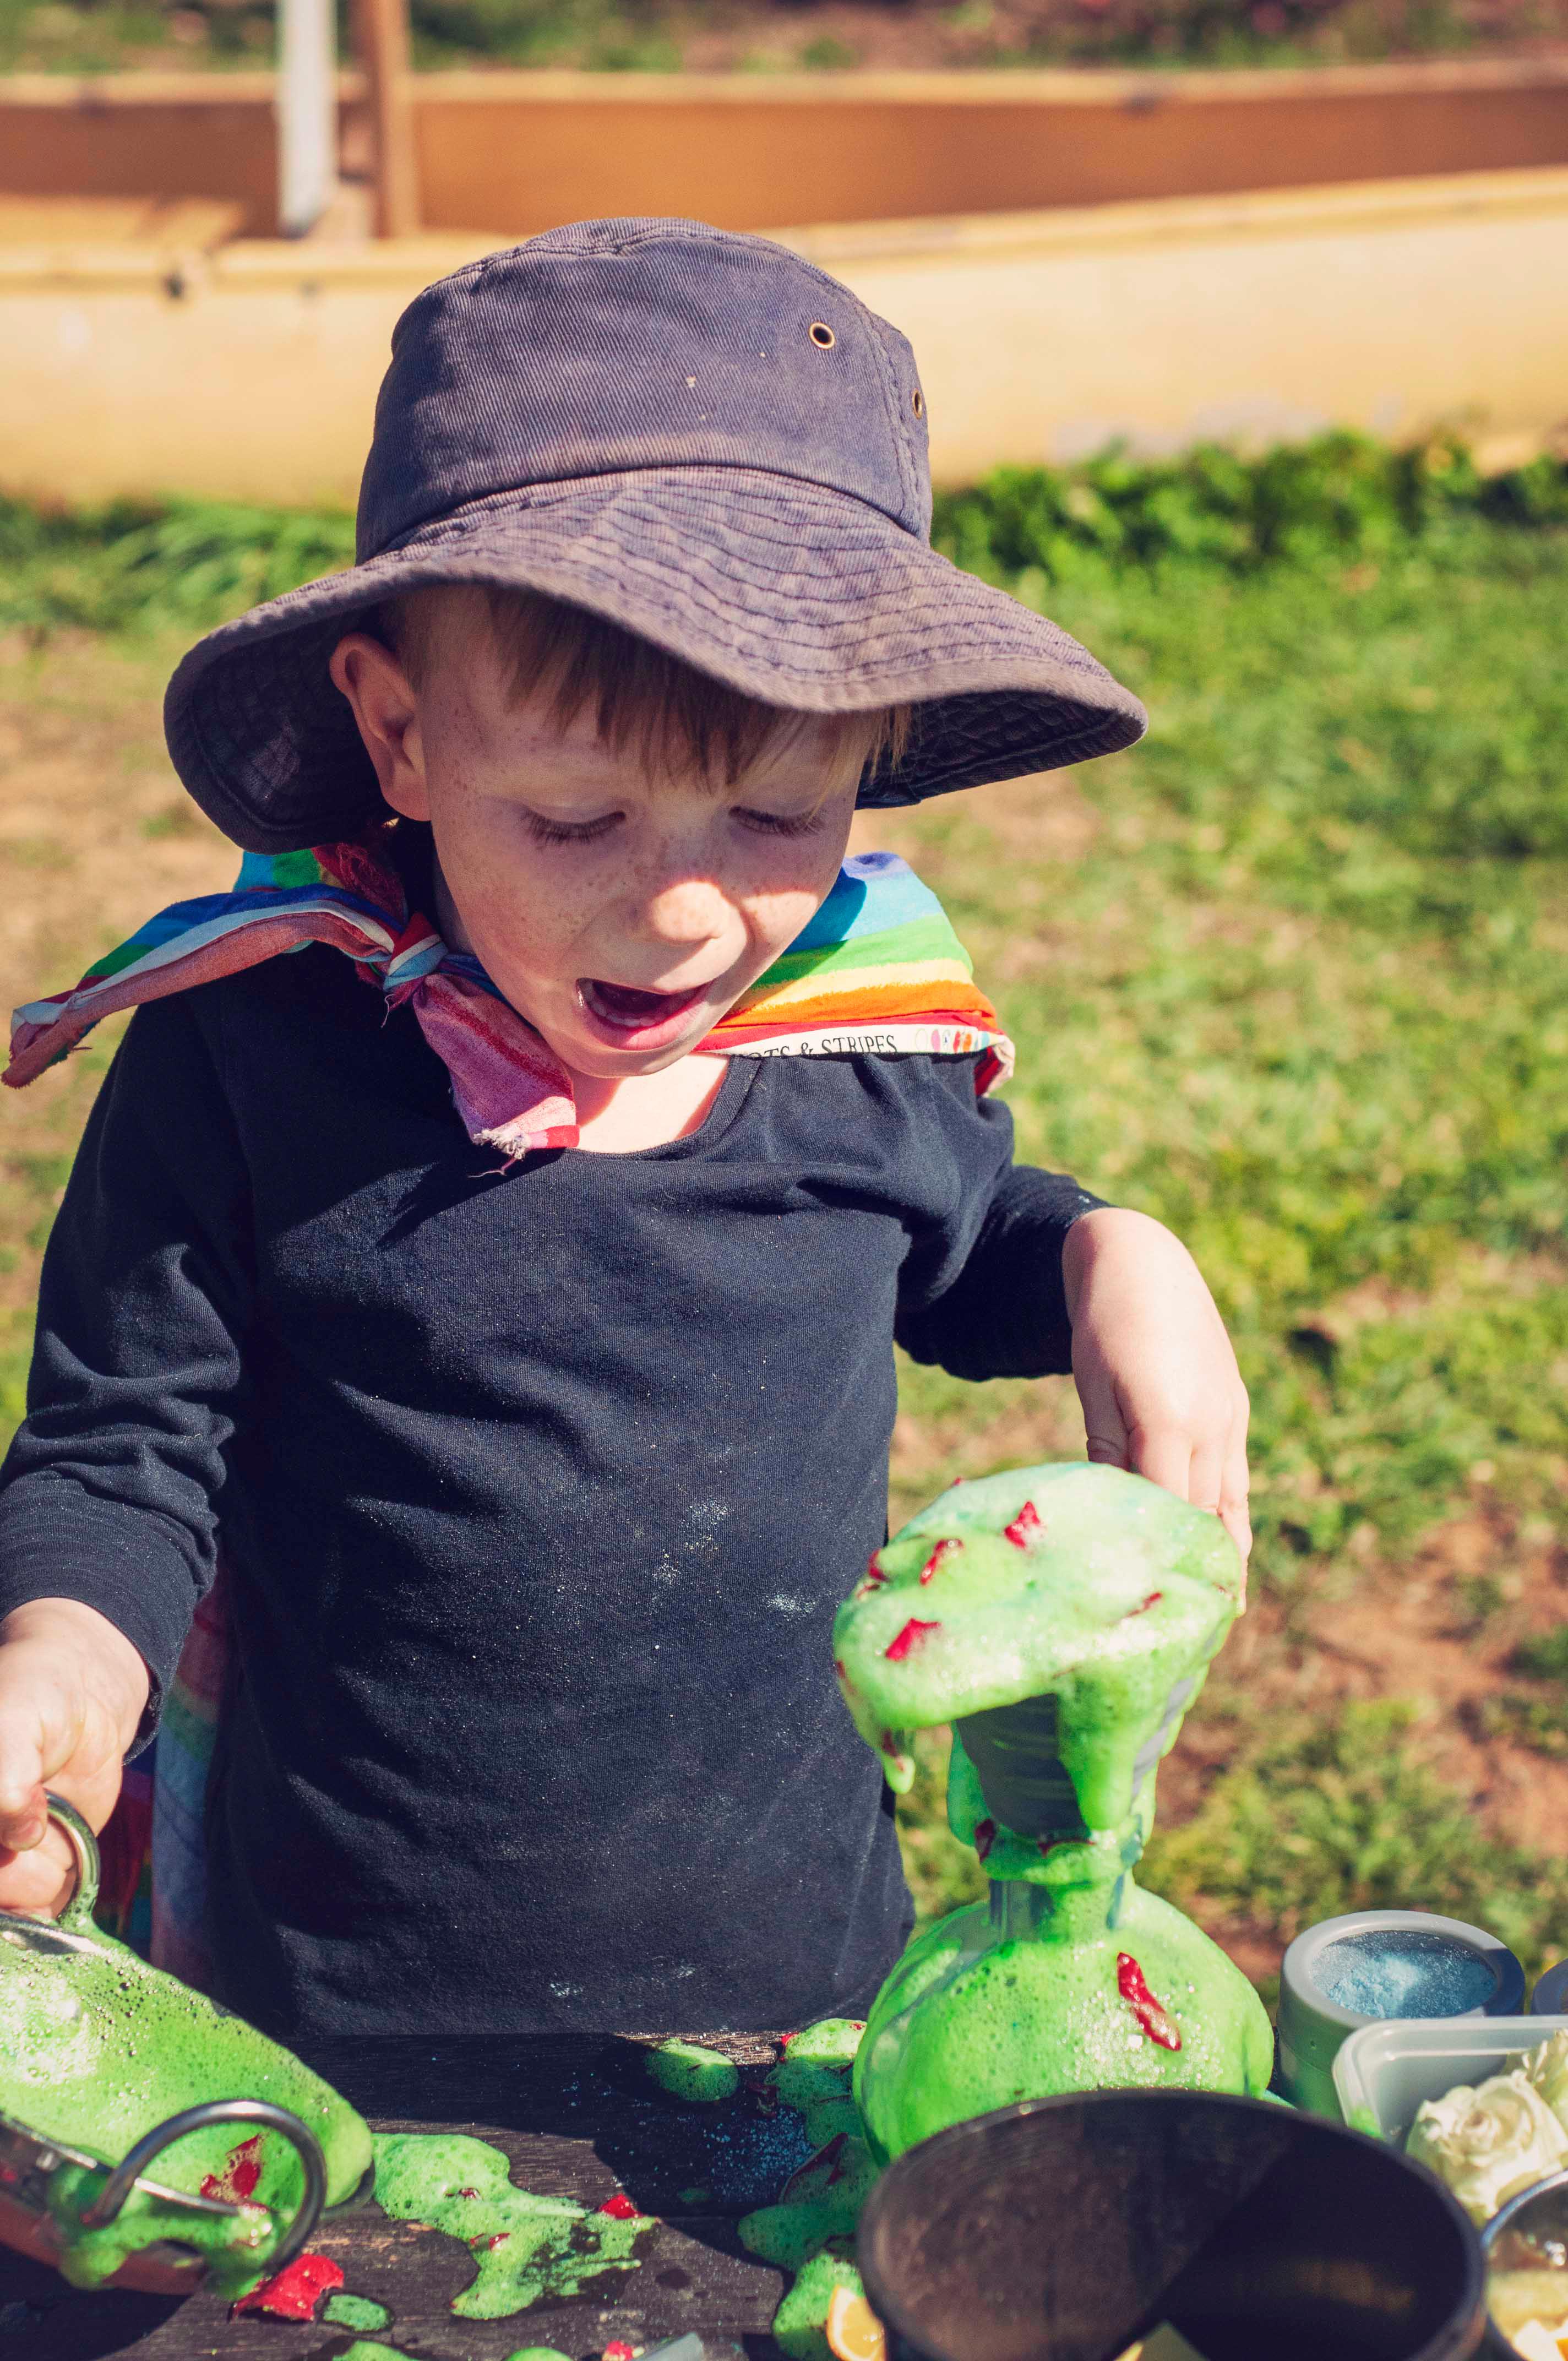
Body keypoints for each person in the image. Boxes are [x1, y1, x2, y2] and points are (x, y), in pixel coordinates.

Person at [0, 217, 1250, 2038]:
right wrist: (59, 1666)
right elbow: (126, 1451)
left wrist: (1104, 1253)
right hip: (335, 1999)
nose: (684, 917)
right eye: (576, 823)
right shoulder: (248, 1051)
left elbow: (956, 1241)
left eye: (773, 815)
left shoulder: (855, 1036)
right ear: (404, 735)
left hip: (787, 1981)